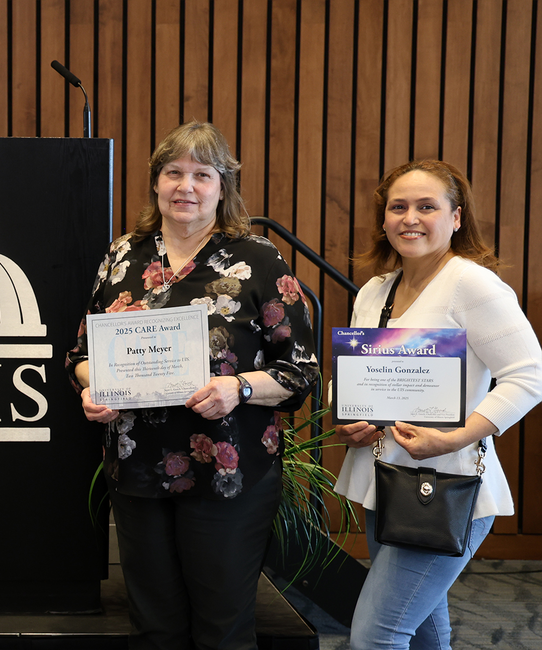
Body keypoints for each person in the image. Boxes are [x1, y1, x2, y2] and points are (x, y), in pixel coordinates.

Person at [66, 121, 319, 650]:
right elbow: (81, 354)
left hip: (228, 474)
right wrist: (93, 388)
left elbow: (299, 371)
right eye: (173, 172)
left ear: (222, 187)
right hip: (135, 470)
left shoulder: (257, 260)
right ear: (156, 182)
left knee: (222, 630)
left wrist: (240, 389)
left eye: (202, 175)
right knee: (155, 628)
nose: (186, 186)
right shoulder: (123, 256)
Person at [334, 160, 542, 650]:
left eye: (427, 206)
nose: (411, 218)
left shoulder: (472, 285)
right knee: (425, 632)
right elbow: (357, 373)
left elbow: (529, 374)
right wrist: (349, 418)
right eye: (398, 207)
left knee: (376, 636)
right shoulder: (374, 291)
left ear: (455, 217)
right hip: (386, 482)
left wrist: (456, 436)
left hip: (448, 490)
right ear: (383, 220)